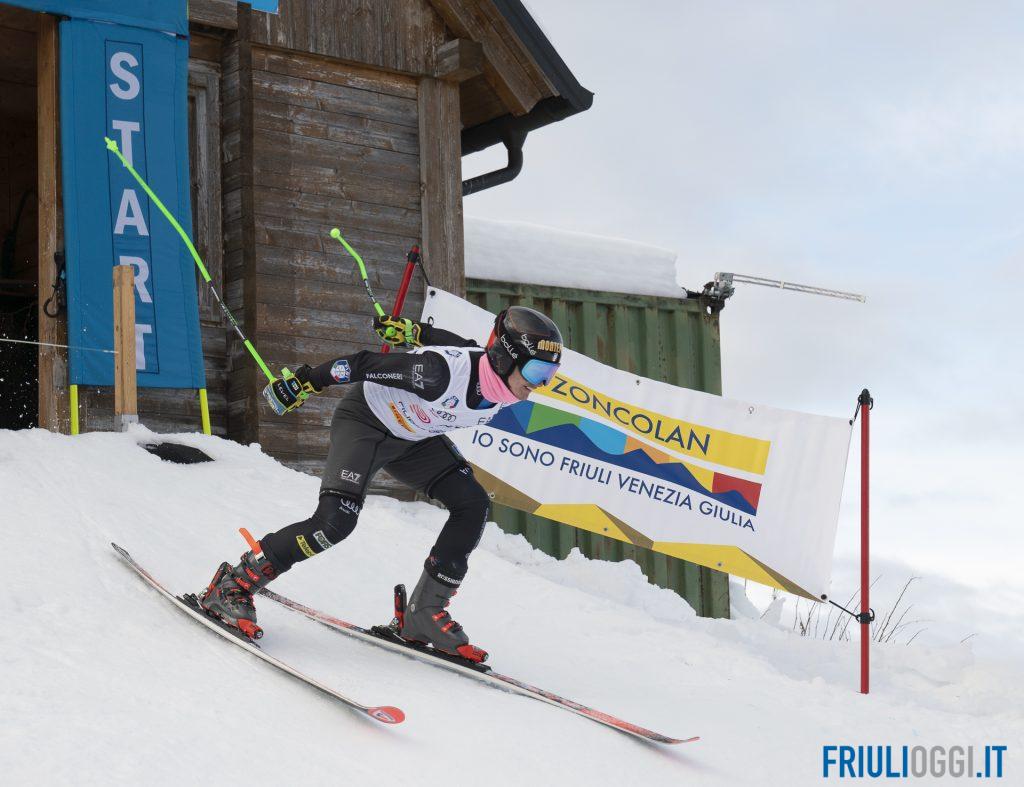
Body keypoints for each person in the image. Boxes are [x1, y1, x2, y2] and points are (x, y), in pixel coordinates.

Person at [198, 306, 564, 662]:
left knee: (472, 505)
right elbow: (362, 365)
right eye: (536, 370)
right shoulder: (437, 374)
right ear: (504, 357)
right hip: (367, 425)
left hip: (414, 439)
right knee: (334, 524)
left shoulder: (496, 382)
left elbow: (459, 342)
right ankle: (234, 584)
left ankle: (424, 615)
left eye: (550, 374)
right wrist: (304, 381)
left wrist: (415, 332)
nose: (540, 384)